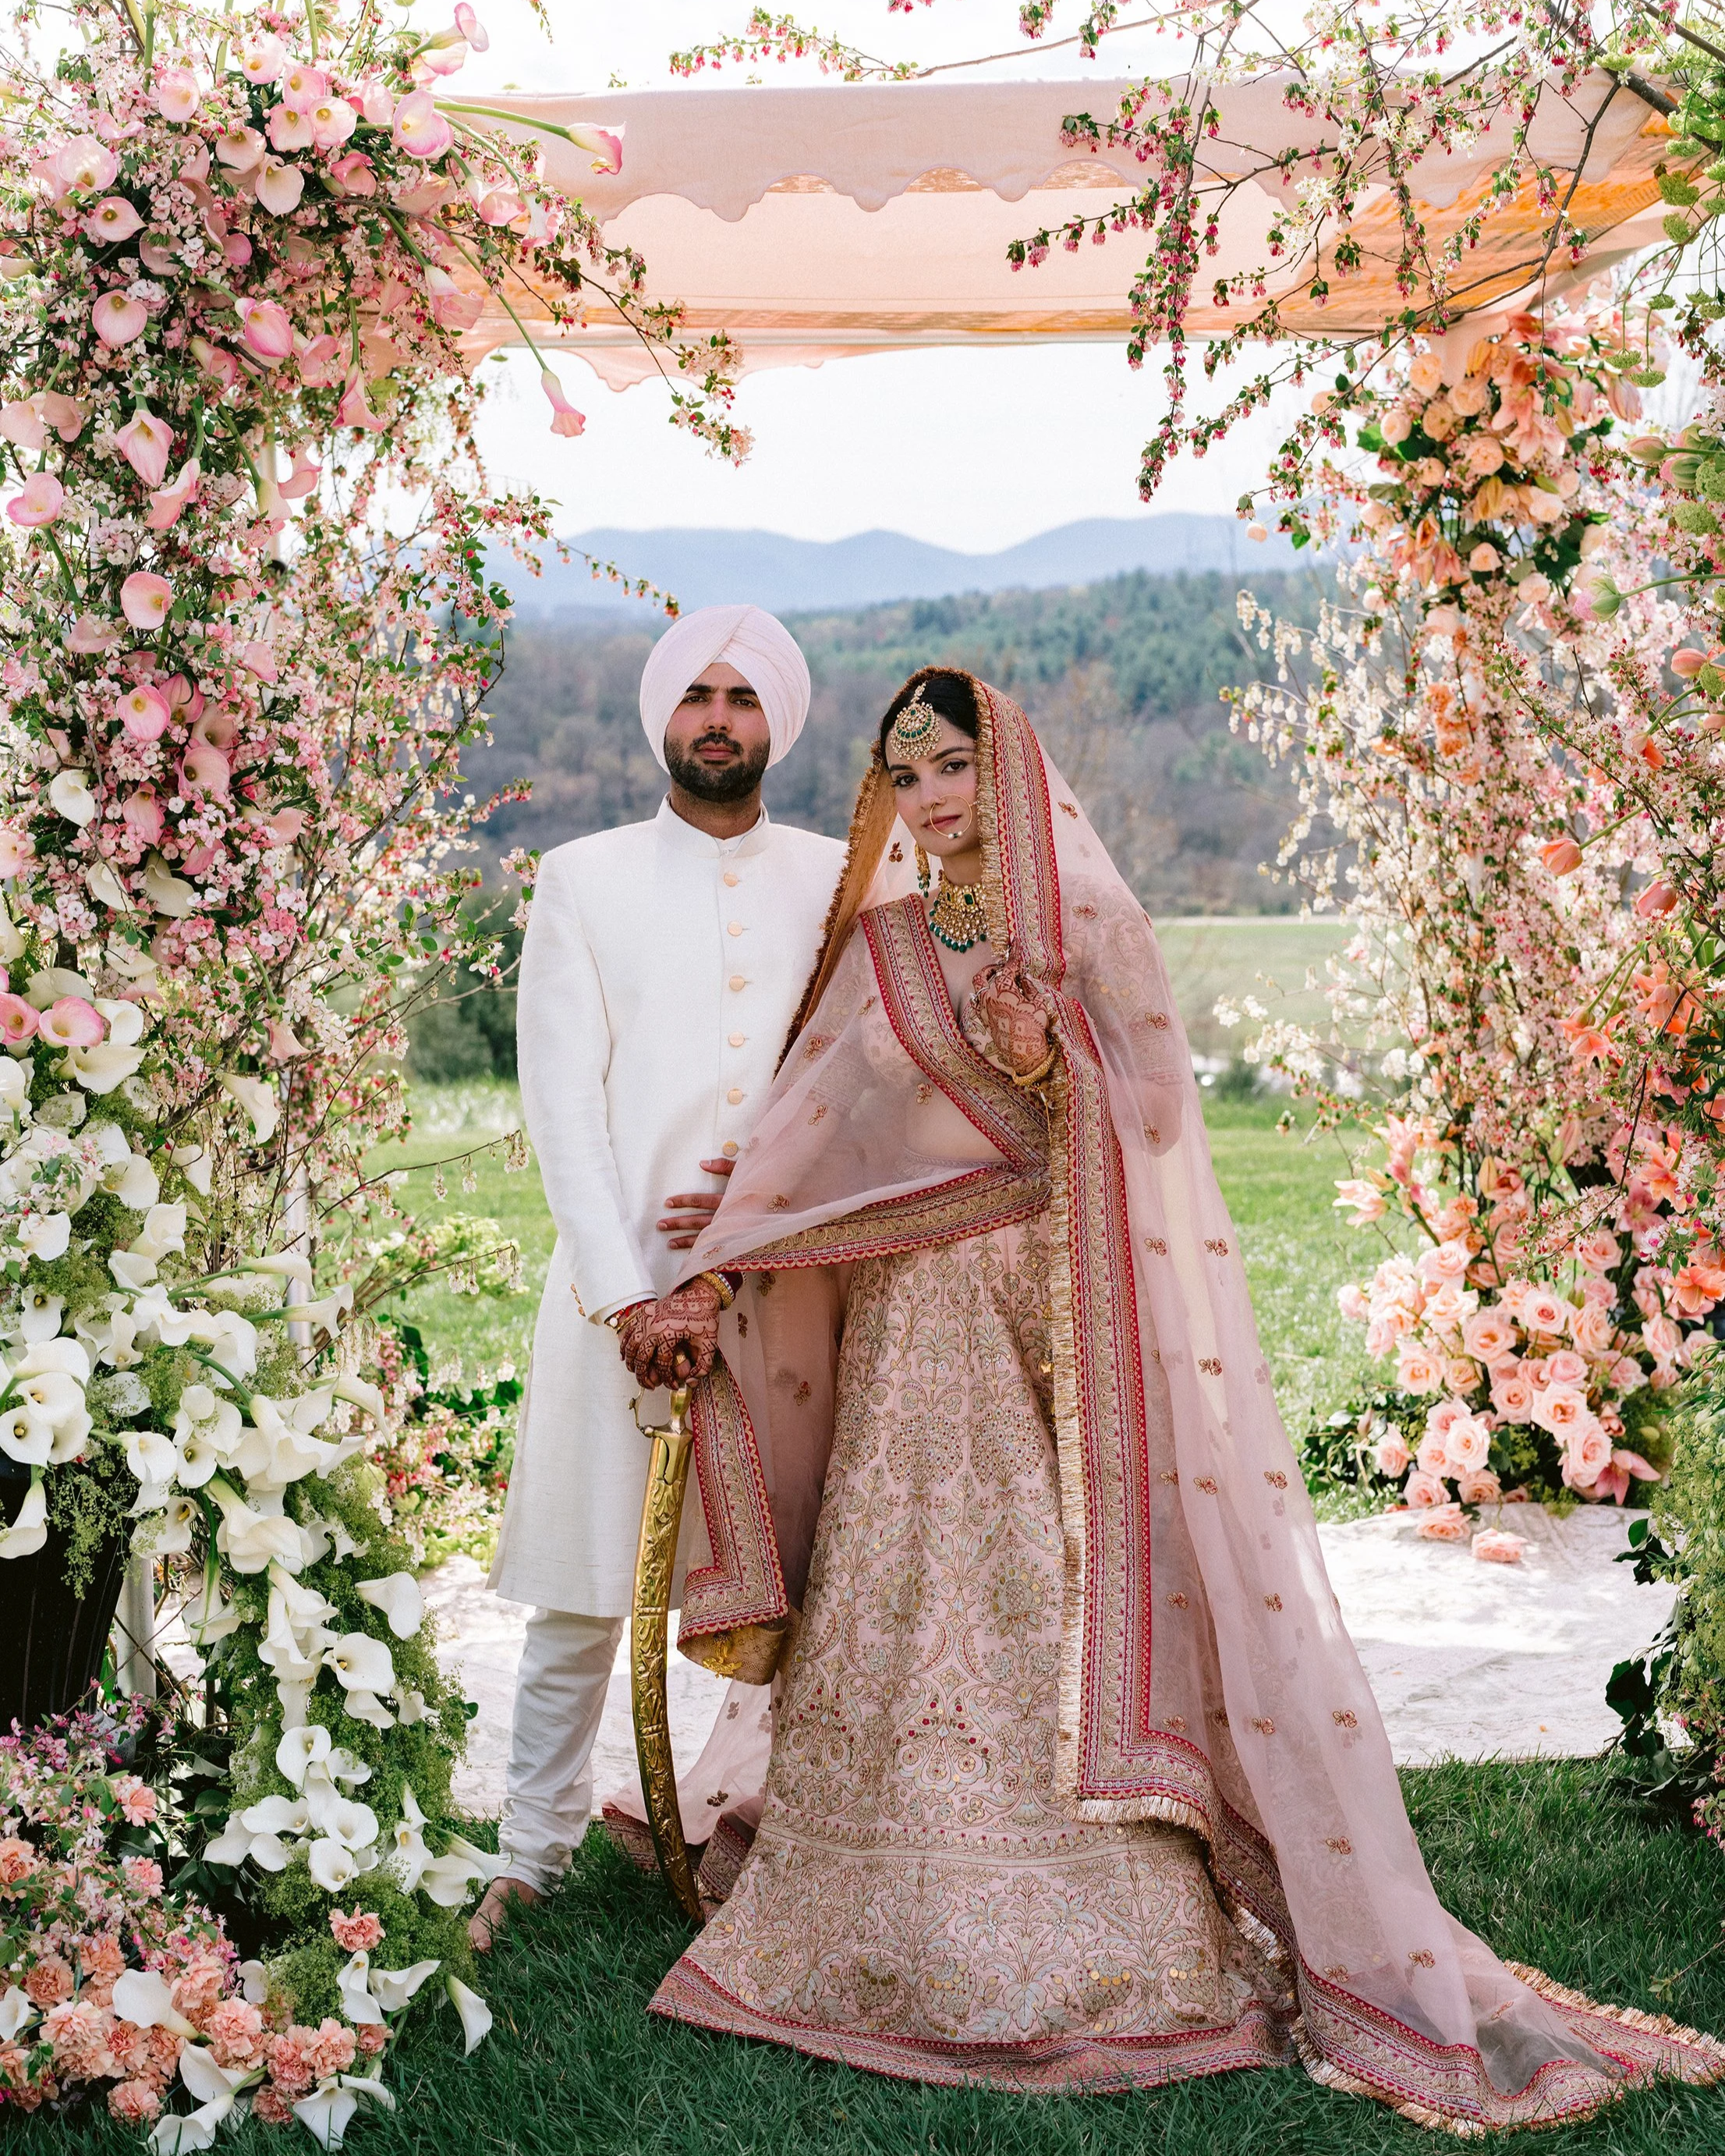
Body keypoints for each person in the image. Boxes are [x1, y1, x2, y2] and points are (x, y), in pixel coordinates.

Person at [615, 668, 1725, 2127]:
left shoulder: (1083, 935)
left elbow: (1154, 1126)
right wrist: (722, 1243)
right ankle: (866, 1900)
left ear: (1004, 775)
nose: (934, 797)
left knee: (1048, 1594)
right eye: (910, 773)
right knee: (903, 1591)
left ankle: (1104, 1908)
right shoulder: (878, 944)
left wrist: (1049, 1059)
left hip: (1058, 1323)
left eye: (956, 766)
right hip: (907, 1338)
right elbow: (813, 1132)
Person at [469, 605, 845, 1950]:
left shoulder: (842, 877)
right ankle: (529, 1852)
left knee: (816, 1586)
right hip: (614, 1292)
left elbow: (866, 1087)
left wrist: (774, 1217)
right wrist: (627, 1293)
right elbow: (562, 1110)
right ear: (660, 717)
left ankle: (826, 1837)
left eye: (746, 697)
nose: (720, 719)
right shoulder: (583, 878)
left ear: (779, 724)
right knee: (582, 1588)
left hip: (795, 1295)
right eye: (698, 695)